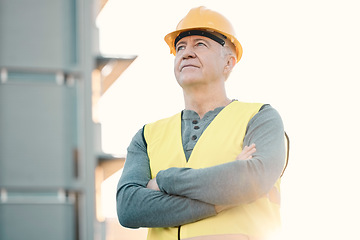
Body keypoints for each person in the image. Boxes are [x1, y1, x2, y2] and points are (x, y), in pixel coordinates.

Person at [116, 6, 288, 240]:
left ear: (228, 62)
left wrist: (165, 180)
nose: (186, 53)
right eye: (180, 47)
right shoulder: (147, 136)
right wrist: (217, 203)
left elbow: (252, 180)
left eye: (200, 44)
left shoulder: (260, 117)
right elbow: (129, 208)